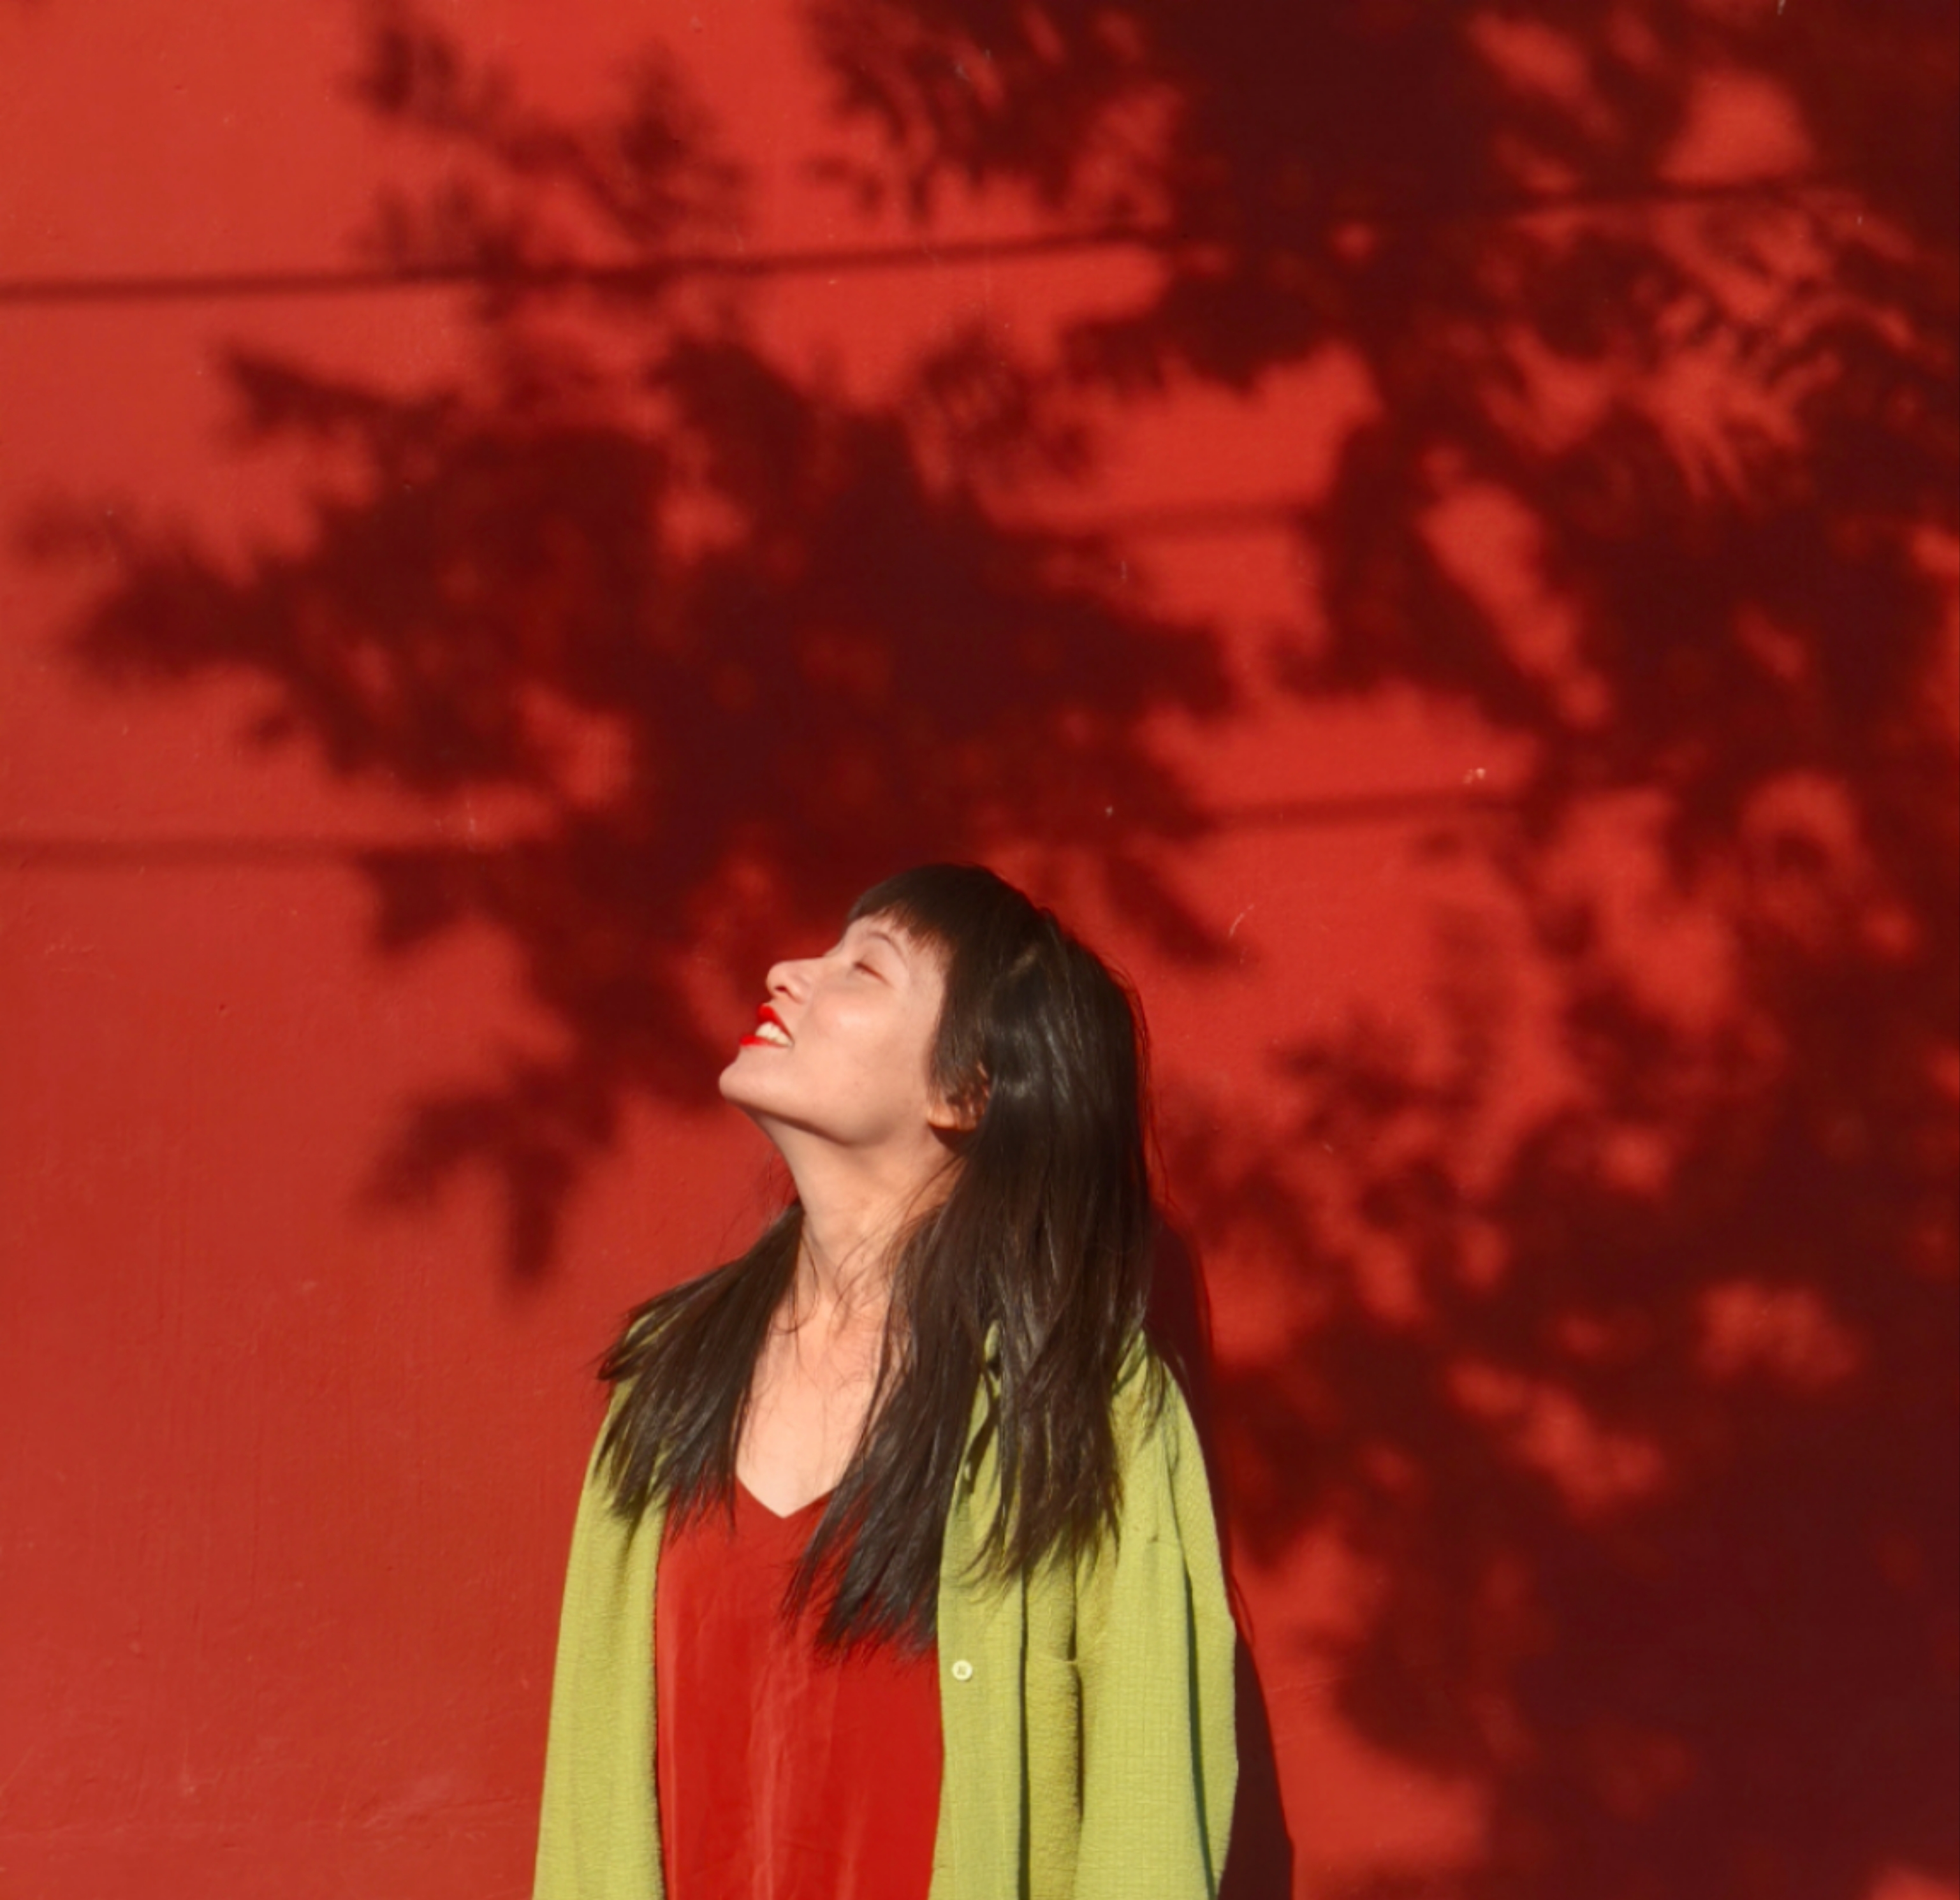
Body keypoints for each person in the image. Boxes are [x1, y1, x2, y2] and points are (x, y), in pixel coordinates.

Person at [534, 863, 1237, 1899]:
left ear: (968, 1090)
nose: (786, 972)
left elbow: (1148, 1827)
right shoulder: (668, 1372)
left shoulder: (1086, 1404)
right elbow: (590, 1790)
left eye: (862, 969)